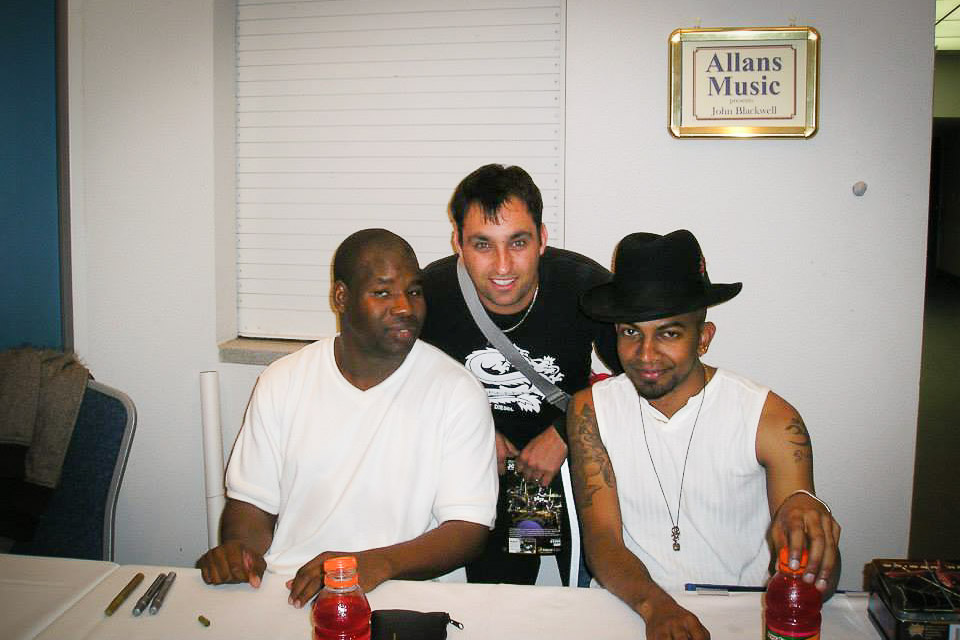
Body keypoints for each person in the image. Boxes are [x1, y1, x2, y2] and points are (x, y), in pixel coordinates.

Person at [197, 229, 498, 607]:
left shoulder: (457, 391)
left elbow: (468, 530)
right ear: (341, 297)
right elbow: (251, 507)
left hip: (406, 595)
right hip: (293, 590)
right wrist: (240, 554)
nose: (404, 307)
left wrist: (375, 564)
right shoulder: (283, 380)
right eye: (383, 292)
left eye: (414, 291)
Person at [568, 229, 842, 639]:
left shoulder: (770, 418)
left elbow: (819, 575)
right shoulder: (590, 410)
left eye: (669, 333)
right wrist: (657, 607)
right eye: (630, 332)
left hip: (743, 612)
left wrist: (815, 542)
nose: (645, 354)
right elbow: (602, 539)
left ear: (704, 338)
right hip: (631, 605)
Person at [420, 164, 620, 585]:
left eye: (518, 242)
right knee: (500, 596)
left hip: (569, 467)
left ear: (542, 239)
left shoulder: (585, 287)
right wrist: (470, 435)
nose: (502, 266)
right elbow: (400, 383)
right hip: (482, 475)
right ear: (458, 243)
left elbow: (640, 376)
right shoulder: (429, 294)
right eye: (482, 244)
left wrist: (567, 432)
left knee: (596, 589)